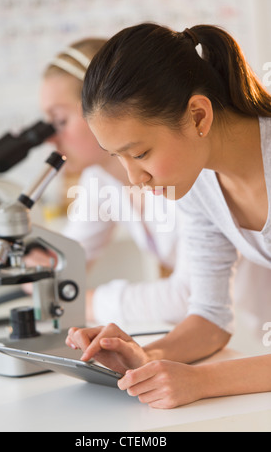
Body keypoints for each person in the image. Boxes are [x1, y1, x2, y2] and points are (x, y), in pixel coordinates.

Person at [65, 23, 271, 409]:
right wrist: (144, 357)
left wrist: (200, 381)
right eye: (119, 158)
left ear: (197, 116)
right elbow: (210, 318)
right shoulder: (200, 181)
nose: (135, 178)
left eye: (140, 154)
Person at [40, 37, 190, 325]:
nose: (50, 138)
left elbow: (186, 298)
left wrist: (82, 303)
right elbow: (64, 267)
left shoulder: (182, 172)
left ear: (103, 106)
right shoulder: (99, 180)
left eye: (59, 121)